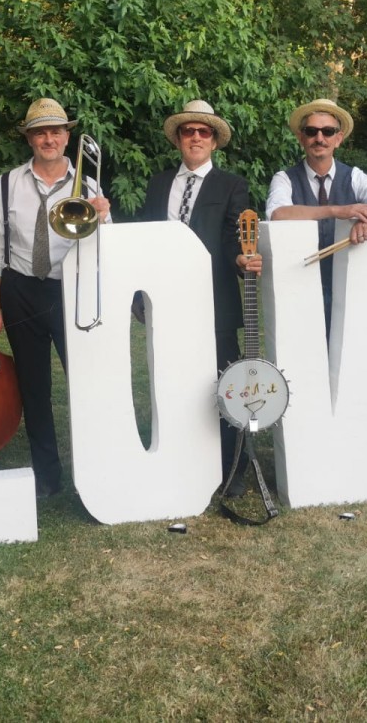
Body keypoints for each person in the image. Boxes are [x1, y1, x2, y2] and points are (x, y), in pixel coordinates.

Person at [0, 98, 111, 498]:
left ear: (68, 137)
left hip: (70, 290)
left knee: (83, 382)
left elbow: (107, 248)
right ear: (30, 139)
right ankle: (47, 478)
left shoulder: (88, 185)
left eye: (56, 131)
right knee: (34, 388)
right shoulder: (7, 183)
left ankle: (95, 469)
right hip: (22, 290)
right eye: (40, 132)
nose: (49, 138)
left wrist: (104, 214)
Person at [137, 99, 261, 497]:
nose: (195, 137)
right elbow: (147, 239)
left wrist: (241, 258)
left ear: (213, 141)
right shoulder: (158, 183)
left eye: (202, 131)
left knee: (225, 384)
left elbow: (232, 236)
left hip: (214, 304)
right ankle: (179, 459)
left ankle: (233, 467)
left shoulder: (231, 185)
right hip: (166, 303)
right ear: (178, 139)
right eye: (188, 131)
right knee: (171, 382)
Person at [266, 98, 367, 334]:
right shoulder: (284, 178)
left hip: (348, 283)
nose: (320, 138)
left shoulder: (354, 176)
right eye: (312, 131)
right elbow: (278, 214)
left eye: (328, 131)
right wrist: (337, 210)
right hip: (299, 282)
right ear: (301, 138)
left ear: (338, 139)